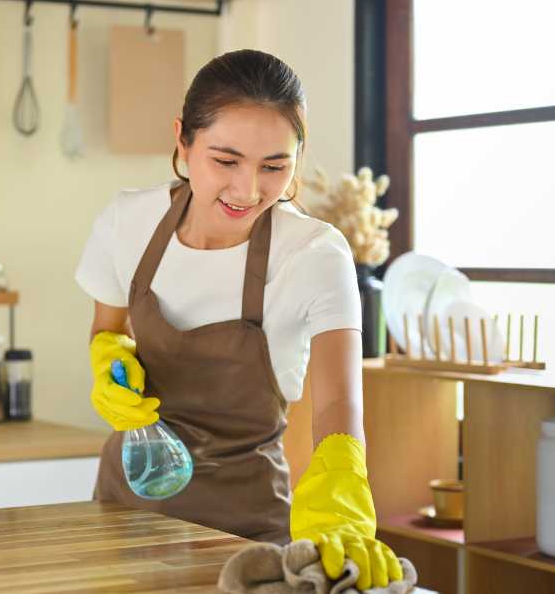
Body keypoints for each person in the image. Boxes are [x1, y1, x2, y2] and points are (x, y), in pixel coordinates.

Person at [75, 49, 403, 590]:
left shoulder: (315, 253)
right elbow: (108, 329)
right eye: (225, 161)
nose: (248, 191)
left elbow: (337, 402)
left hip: (247, 534)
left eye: (274, 167)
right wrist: (108, 359)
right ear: (183, 141)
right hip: (124, 514)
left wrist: (340, 507)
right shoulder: (128, 221)